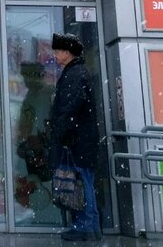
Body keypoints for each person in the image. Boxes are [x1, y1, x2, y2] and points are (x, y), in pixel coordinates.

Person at [49, 33, 101, 241]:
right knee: (83, 181)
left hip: (77, 141)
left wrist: (62, 133)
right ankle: (90, 226)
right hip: (81, 140)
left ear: (67, 52)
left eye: (58, 51)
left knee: (80, 182)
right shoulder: (77, 72)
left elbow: (70, 108)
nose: (55, 55)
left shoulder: (75, 74)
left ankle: (85, 226)